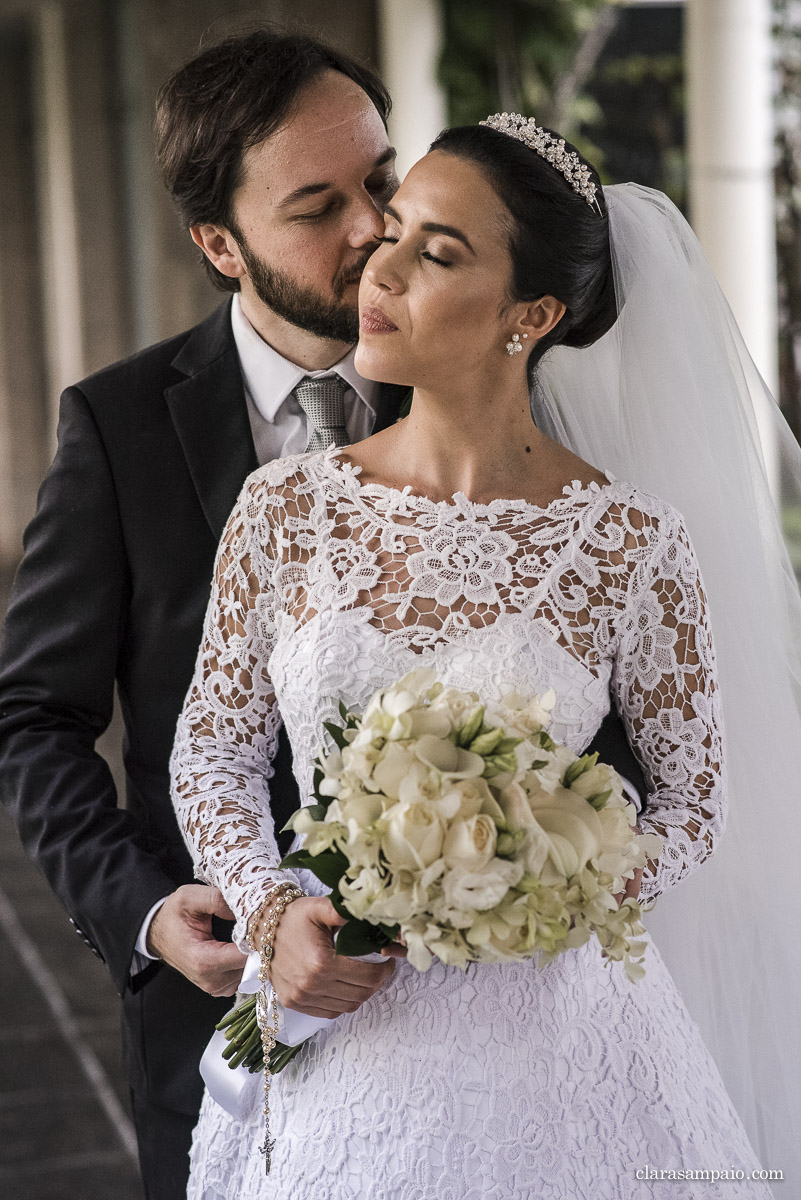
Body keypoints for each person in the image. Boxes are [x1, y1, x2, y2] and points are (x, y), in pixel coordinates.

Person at [0, 29, 647, 1199]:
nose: (373, 230)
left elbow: (616, 705)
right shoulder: (120, 427)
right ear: (220, 244)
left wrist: (533, 862)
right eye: (315, 206)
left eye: (383, 181)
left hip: (504, 1038)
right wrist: (152, 914)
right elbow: (36, 719)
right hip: (232, 1034)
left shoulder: (520, 385)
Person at [170, 115, 801, 1196]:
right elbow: (213, 751)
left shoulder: (630, 542)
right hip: (341, 1036)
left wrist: (540, 885)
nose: (383, 265)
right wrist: (276, 915)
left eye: (440, 252)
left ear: (533, 315)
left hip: (558, 1046)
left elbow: (696, 802)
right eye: (396, 228)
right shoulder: (285, 510)